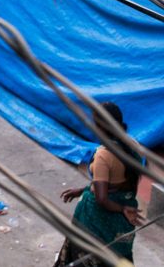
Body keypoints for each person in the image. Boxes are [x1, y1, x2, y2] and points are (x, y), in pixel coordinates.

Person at [55, 102, 145, 266]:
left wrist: (122, 209)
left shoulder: (104, 155)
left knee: (85, 257)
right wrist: (83, 190)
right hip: (119, 222)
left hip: (96, 220)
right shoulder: (133, 145)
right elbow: (117, 184)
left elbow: (102, 198)